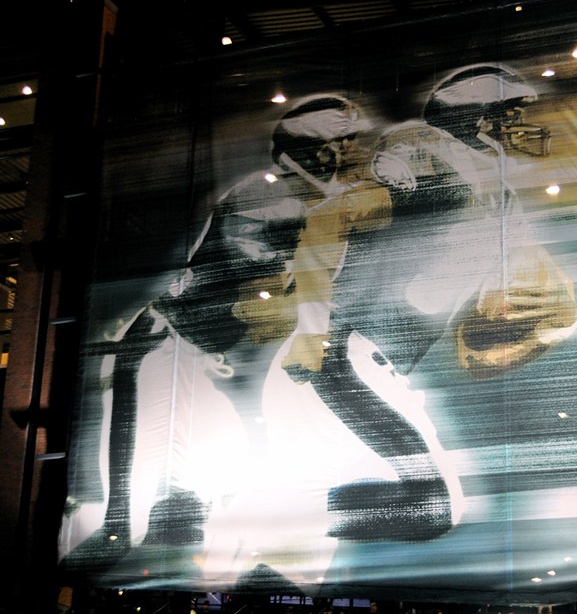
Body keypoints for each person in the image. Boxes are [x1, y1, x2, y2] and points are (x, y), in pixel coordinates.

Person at [59, 94, 376, 583]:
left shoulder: (316, 201)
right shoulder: (272, 196)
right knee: (128, 521)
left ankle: (248, 576)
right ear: (316, 150)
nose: (357, 150)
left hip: (216, 361)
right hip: (168, 349)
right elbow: (261, 286)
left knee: (245, 490)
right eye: (346, 140)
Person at [280, 63, 577, 543]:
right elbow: (325, 222)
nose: (520, 126)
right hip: (347, 352)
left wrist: (551, 317)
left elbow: (522, 271)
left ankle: (295, 514)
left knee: (431, 505)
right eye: (509, 115)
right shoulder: (430, 156)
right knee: (434, 508)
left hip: (378, 359)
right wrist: (312, 332)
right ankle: (284, 516)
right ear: (476, 117)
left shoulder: (495, 191)